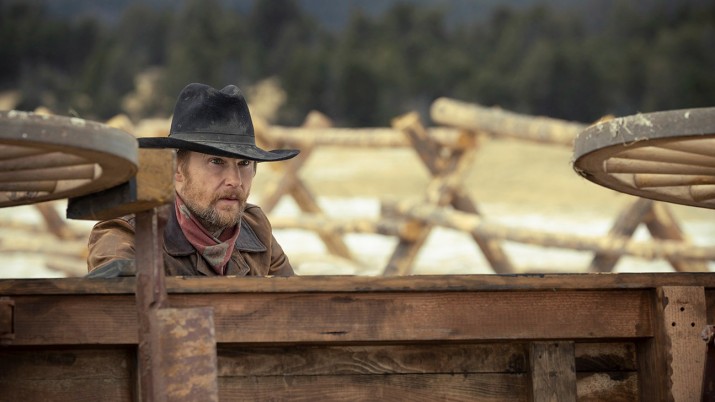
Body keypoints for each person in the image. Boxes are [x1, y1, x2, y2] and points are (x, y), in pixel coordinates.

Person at [86, 83, 299, 277]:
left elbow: (296, 301)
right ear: (176, 169)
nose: (235, 180)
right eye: (216, 161)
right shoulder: (130, 232)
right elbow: (113, 301)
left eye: (244, 163)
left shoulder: (256, 228)